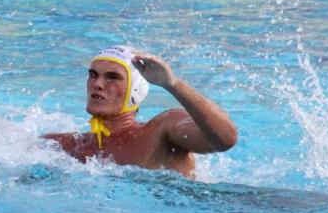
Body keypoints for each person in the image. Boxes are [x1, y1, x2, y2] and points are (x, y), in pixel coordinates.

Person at [42, 45, 237, 178]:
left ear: (135, 90)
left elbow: (225, 139)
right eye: (93, 75)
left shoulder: (162, 132)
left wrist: (172, 84)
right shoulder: (64, 146)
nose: (97, 84)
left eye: (112, 77)